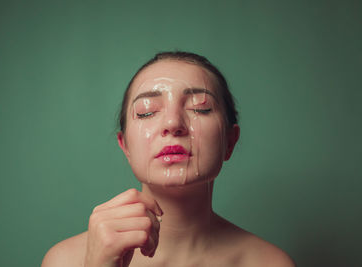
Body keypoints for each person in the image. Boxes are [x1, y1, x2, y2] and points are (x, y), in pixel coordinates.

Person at [41, 51, 296, 267]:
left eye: (200, 108)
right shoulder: (66, 260)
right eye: (146, 112)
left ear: (230, 141)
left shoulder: (270, 262)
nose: (173, 124)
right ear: (125, 145)